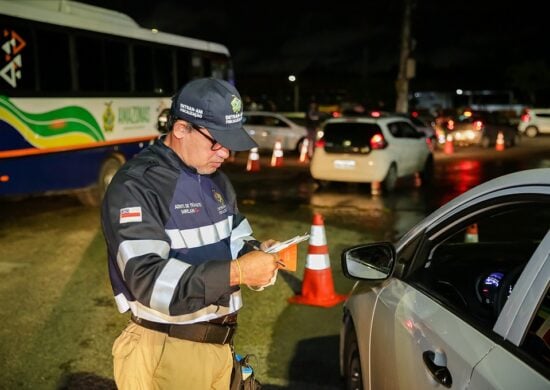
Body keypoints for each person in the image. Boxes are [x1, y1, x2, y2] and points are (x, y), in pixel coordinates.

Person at [101, 77, 280, 389]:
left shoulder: (217, 179)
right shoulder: (136, 185)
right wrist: (237, 273)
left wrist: (258, 253)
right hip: (166, 352)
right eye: (217, 141)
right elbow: (149, 281)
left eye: (231, 143)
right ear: (181, 128)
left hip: (220, 348)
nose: (225, 153)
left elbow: (236, 238)